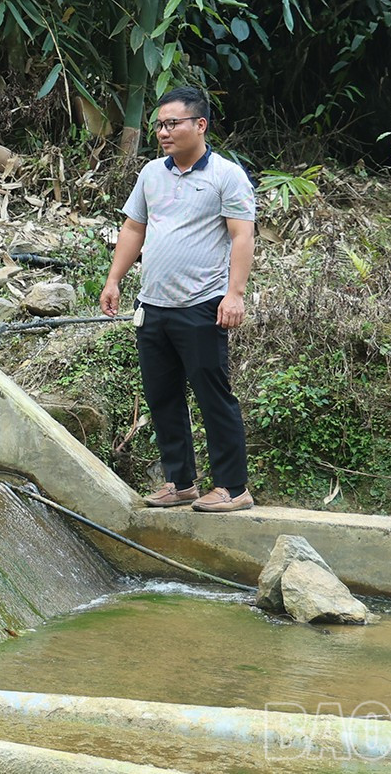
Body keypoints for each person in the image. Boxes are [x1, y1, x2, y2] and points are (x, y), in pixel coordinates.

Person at [99, 86, 257, 512]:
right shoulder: (152, 173)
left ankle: (233, 487)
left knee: (212, 395)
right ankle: (180, 482)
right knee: (162, 395)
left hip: (203, 304)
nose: (164, 132)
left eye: (173, 124)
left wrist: (234, 295)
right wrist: (115, 279)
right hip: (153, 305)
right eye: (160, 125)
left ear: (199, 125)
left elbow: (242, 235)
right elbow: (134, 228)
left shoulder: (226, 176)